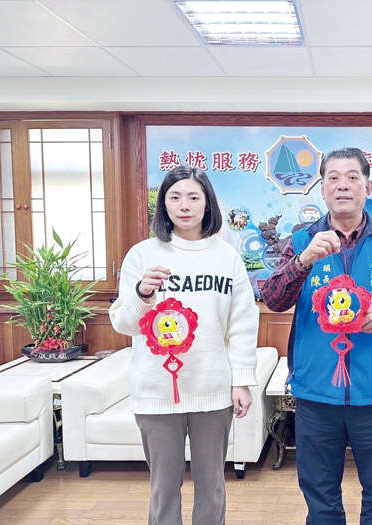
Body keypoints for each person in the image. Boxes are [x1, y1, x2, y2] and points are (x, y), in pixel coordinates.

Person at [262, 147, 372, 524]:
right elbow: (274, 299)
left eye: (352, 177)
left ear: (368, 186)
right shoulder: (301, 241)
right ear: (323, 189)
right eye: (333, 178)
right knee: (320, 497)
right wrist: (303, 261)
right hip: (316, 392)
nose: (342, 185)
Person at [109, 166, 259, 525]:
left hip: (212, 390)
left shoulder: (226, 257)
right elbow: (123, 323)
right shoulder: (142, 255)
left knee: (212, 487)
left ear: (208, 204)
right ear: (163, 204)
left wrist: (241, 380)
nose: (184, 206)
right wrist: (142, 294)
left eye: (193, 197)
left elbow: (241, 324)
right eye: (174, 197)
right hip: (157, 391)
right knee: (163, 488)